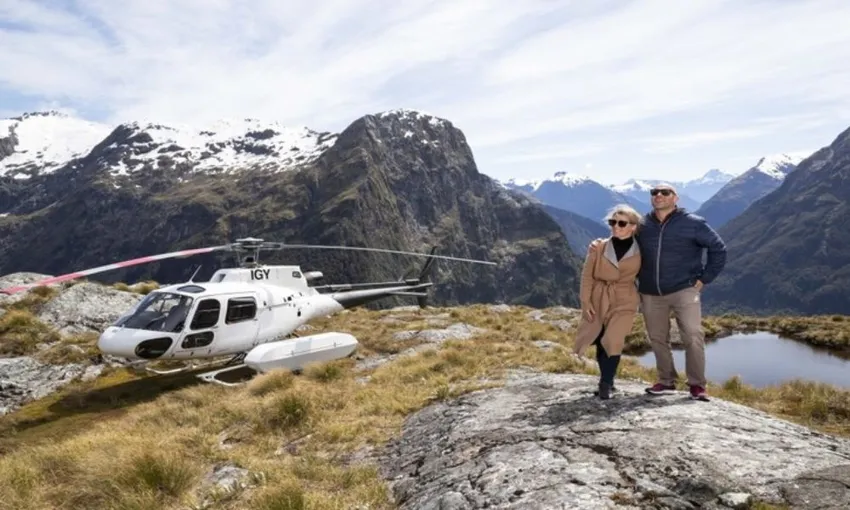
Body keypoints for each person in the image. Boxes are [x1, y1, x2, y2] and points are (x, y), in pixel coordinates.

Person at [588, 183, 726, 401]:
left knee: (692, 334)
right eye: (654, 193)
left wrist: (704, 279)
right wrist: (601, 244)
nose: (659, 195)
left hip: (684, 289)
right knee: (657, 338)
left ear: (675, 198)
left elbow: (719, 249)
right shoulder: (643, 224)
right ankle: (666, 381)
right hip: (650, 291)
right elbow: (622, 237)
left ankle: (697, 385)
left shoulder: (693, 224)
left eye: (665, 192)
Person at [573, 204, 642, 400]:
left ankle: (605, 384)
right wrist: (586, 302)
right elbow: (587, 276)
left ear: (633, 227)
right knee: (601, 338)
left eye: (622, 223)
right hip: (599, 296)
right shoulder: (598, 247)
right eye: (613, 222)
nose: (616, 227)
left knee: (614, 339)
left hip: (625, 297)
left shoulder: (642, 250)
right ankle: (608, 380)